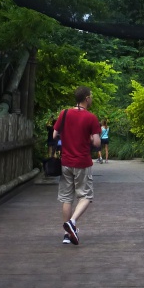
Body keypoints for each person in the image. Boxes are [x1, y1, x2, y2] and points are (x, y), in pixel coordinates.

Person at [52, 86, 101, 246]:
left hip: (66, 162)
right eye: (91, 96)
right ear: (86, 98)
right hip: (82, 162)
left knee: (67, 198)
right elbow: (97, 142)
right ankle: (72, 222)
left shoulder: (64, 113)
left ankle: (67, 235)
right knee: (86, 196)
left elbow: (54, 134)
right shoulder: (91, 118)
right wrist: (88, 137)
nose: (91, 99)